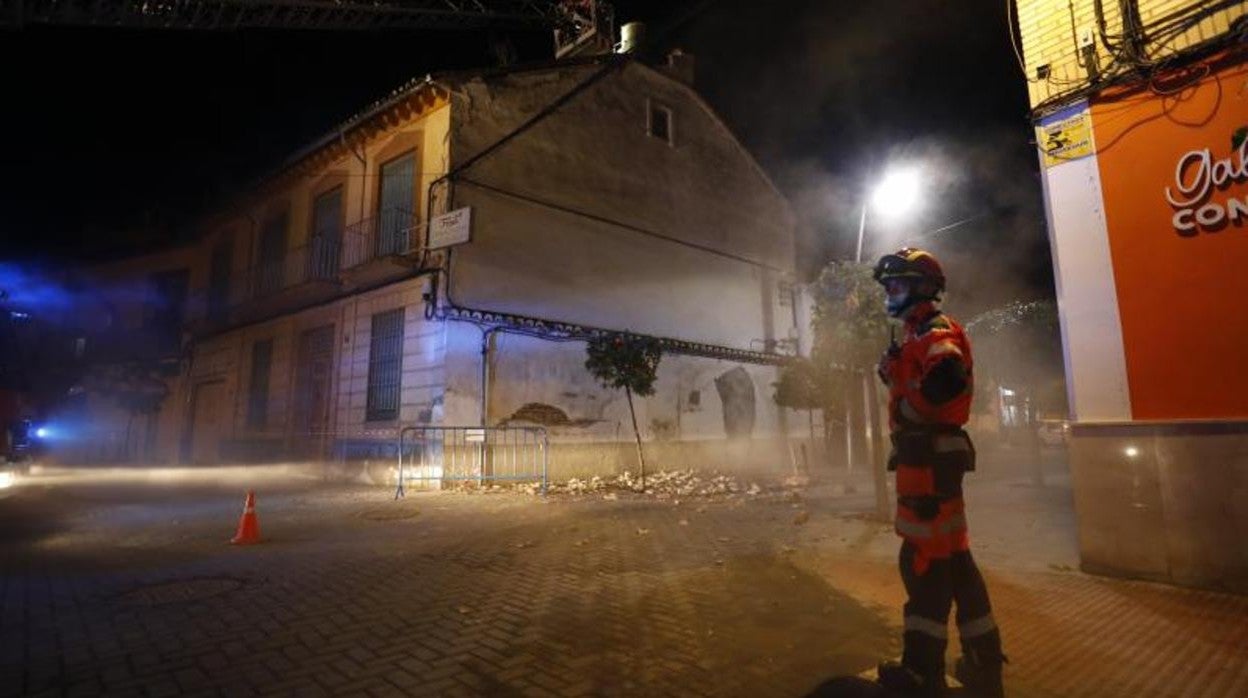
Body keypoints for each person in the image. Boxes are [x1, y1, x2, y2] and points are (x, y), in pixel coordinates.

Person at [871, 247, 1006, 697]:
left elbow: (946, 378)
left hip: (927, 463)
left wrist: (908, 409)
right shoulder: (916, 335)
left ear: (925, 287)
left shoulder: (933, 330)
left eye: (899, 284)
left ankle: (920, 672)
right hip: (929, 461)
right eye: (889, 285)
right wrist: (893, 373)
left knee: (923, 563)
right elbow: (927, 378)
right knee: (957, 564)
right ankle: (983, 662)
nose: (891, 292)